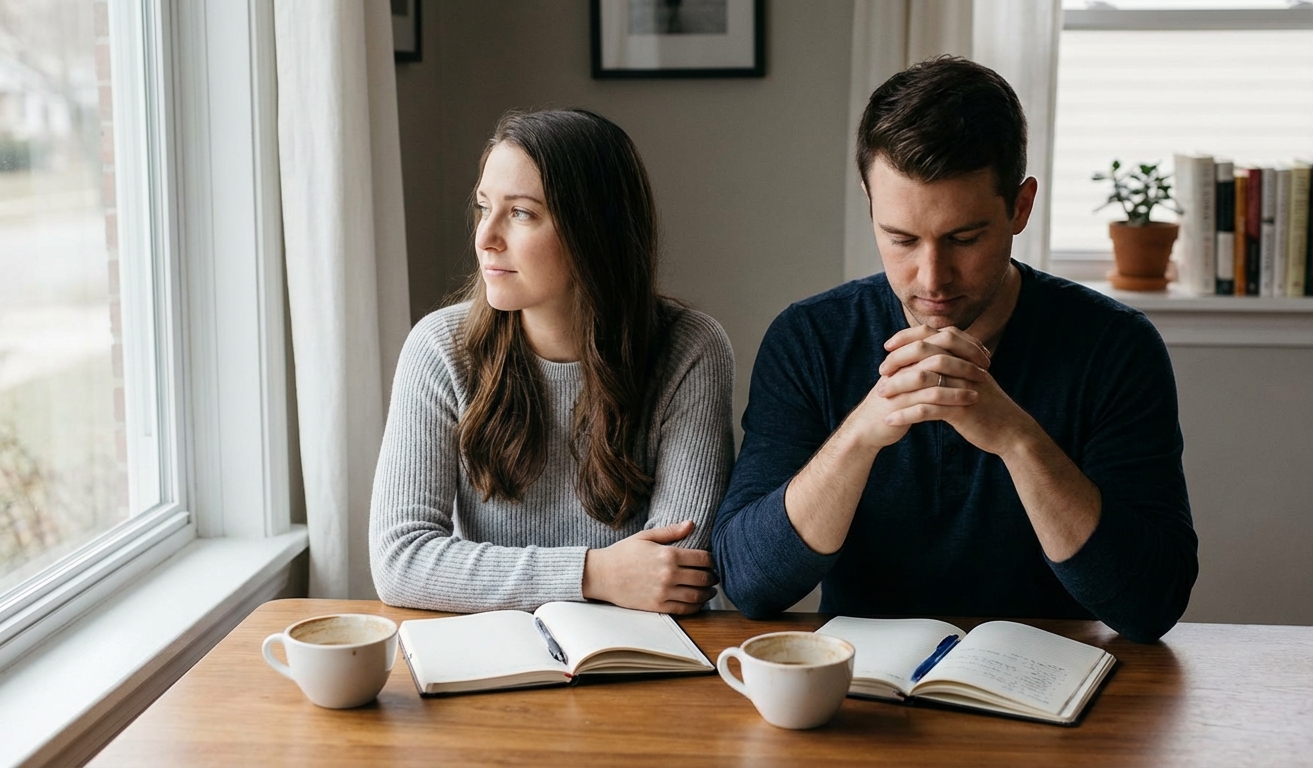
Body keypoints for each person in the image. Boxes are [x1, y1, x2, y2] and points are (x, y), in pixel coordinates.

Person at [712, 57, 1197, 642]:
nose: (932, 277)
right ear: (869, 201)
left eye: (964, 239)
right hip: (868, 696)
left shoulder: (1115, 347)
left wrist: (1016, 439)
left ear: (1019, 207)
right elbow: (750, 584)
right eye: (901, 239)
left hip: (1057, 691)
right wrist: (863, 432)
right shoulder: (810, 340)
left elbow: (1151, 603)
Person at [371, 108, 734, 616]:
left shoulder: (689, 349)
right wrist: (593, 573)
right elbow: (401, 561)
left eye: (520, 213)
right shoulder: (439, 348)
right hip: (495, 658)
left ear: (593, 232)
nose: (485, 238)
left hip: (638, 661)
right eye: (483, 207)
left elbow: (673, 573)